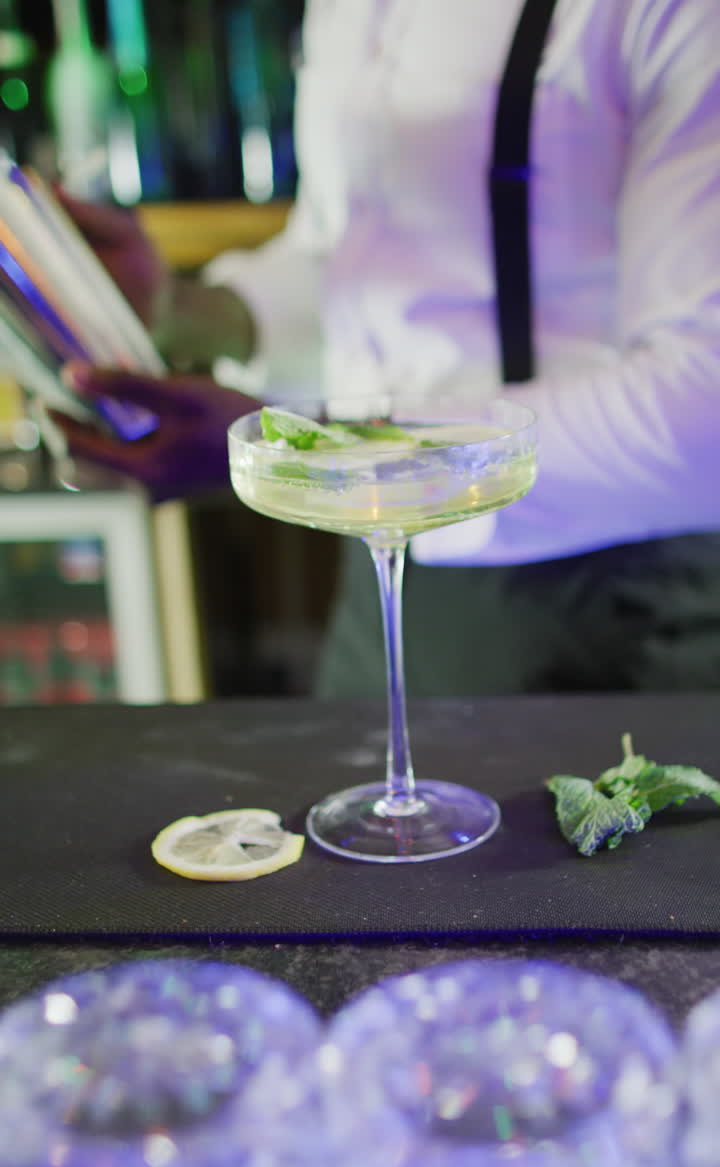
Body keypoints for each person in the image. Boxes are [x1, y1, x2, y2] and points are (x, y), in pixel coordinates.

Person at [55, 0, 720, 696]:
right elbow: (354, 278)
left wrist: (322, 457)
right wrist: (183, 313)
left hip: (624, 591)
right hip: (387, 578)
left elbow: (705, 403)